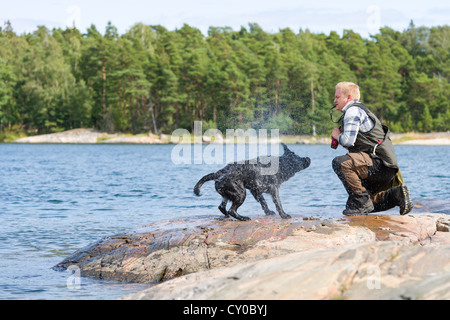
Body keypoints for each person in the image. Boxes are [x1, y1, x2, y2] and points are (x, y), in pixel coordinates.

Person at [330, 82, 413, 216]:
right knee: (355, 206)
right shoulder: (358, 110)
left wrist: (337, 135)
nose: (334, 101)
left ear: (348, 97)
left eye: (337, 97)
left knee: (340, 163)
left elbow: (347, 141)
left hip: (379, 164)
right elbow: (355, 145)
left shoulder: (353, 111)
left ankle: (361, 200)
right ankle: (397, 195)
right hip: (385, 167)